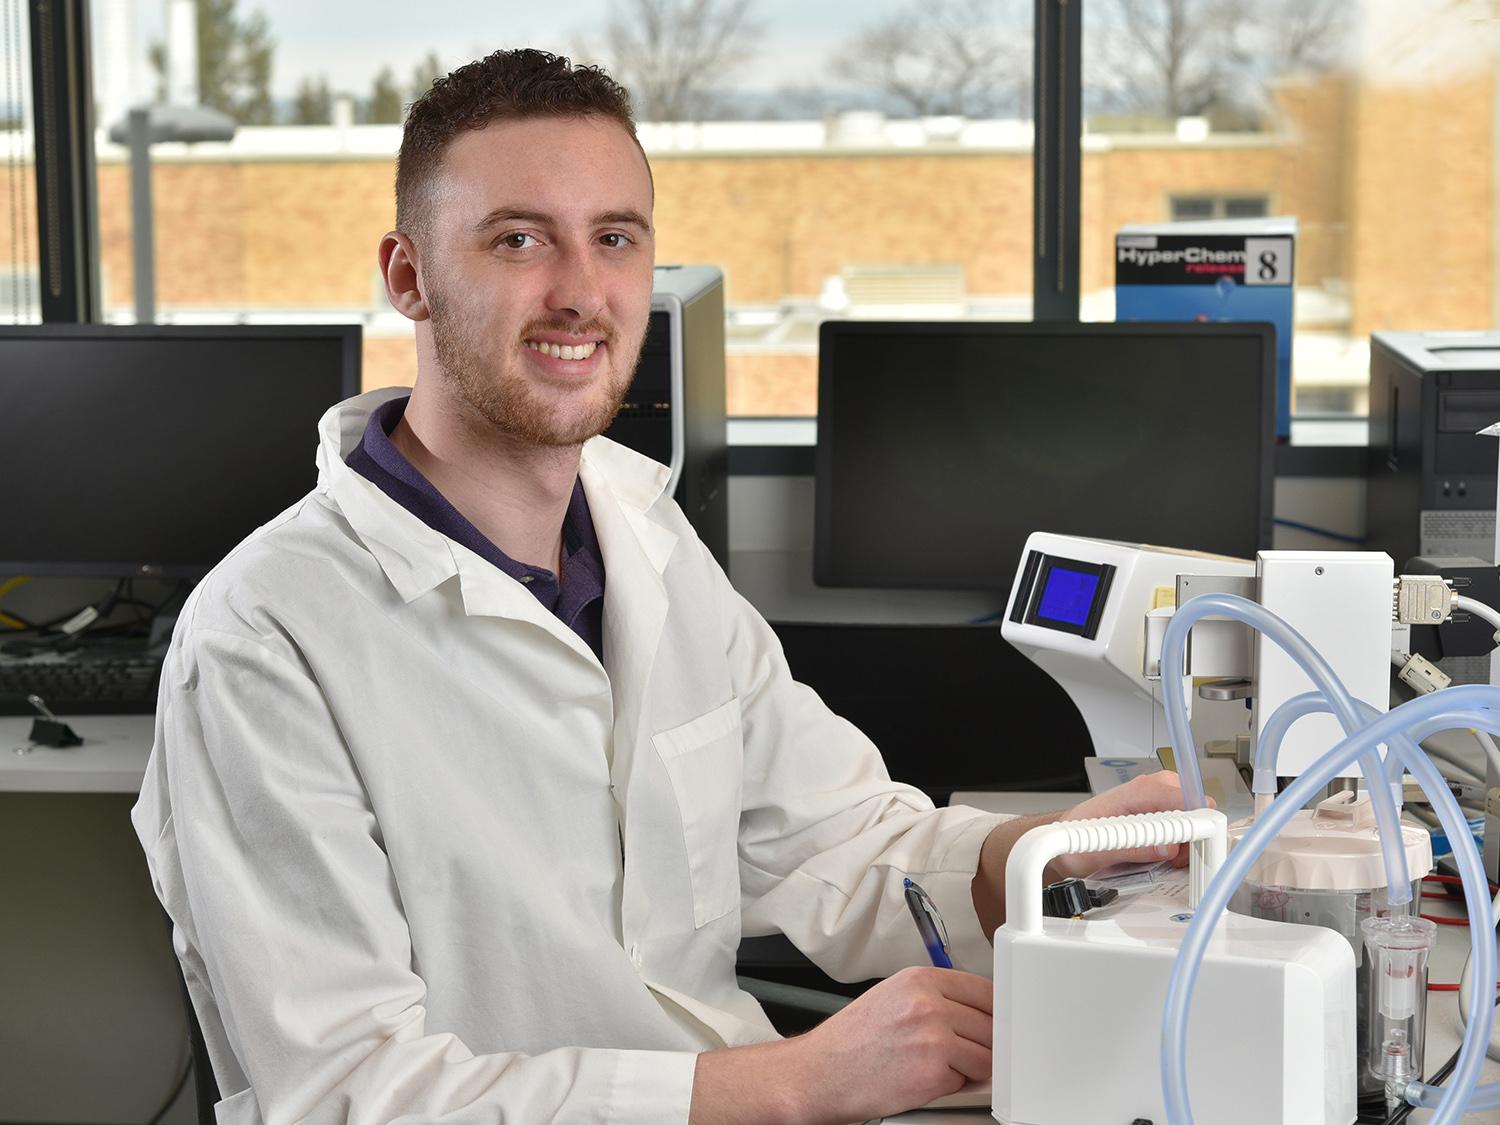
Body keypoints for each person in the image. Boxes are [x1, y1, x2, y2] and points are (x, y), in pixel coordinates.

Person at [132, 47, 1192, 1125]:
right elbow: (350, 1093)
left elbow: (833, 842)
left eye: (615, 239)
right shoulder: (263, 639)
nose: (581, 292)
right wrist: (794, 1081)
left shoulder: (646, 537)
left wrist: (1066, 849)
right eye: (517, 239)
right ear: (408, 276)